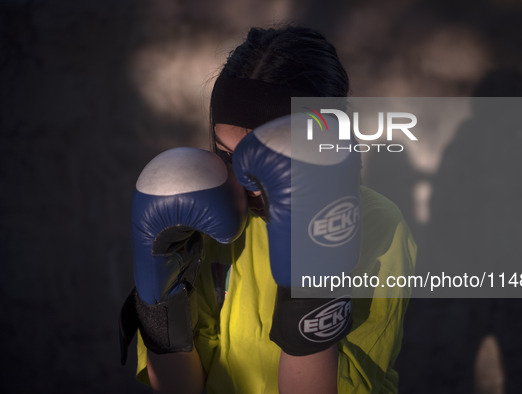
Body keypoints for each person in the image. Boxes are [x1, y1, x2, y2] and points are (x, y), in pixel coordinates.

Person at [120, 25, 417, 393]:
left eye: (273, 162)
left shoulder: (376, 226)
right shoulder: (206, 215)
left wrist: (313, 275)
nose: (247, 185)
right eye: (227, 156)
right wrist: (158, 303)